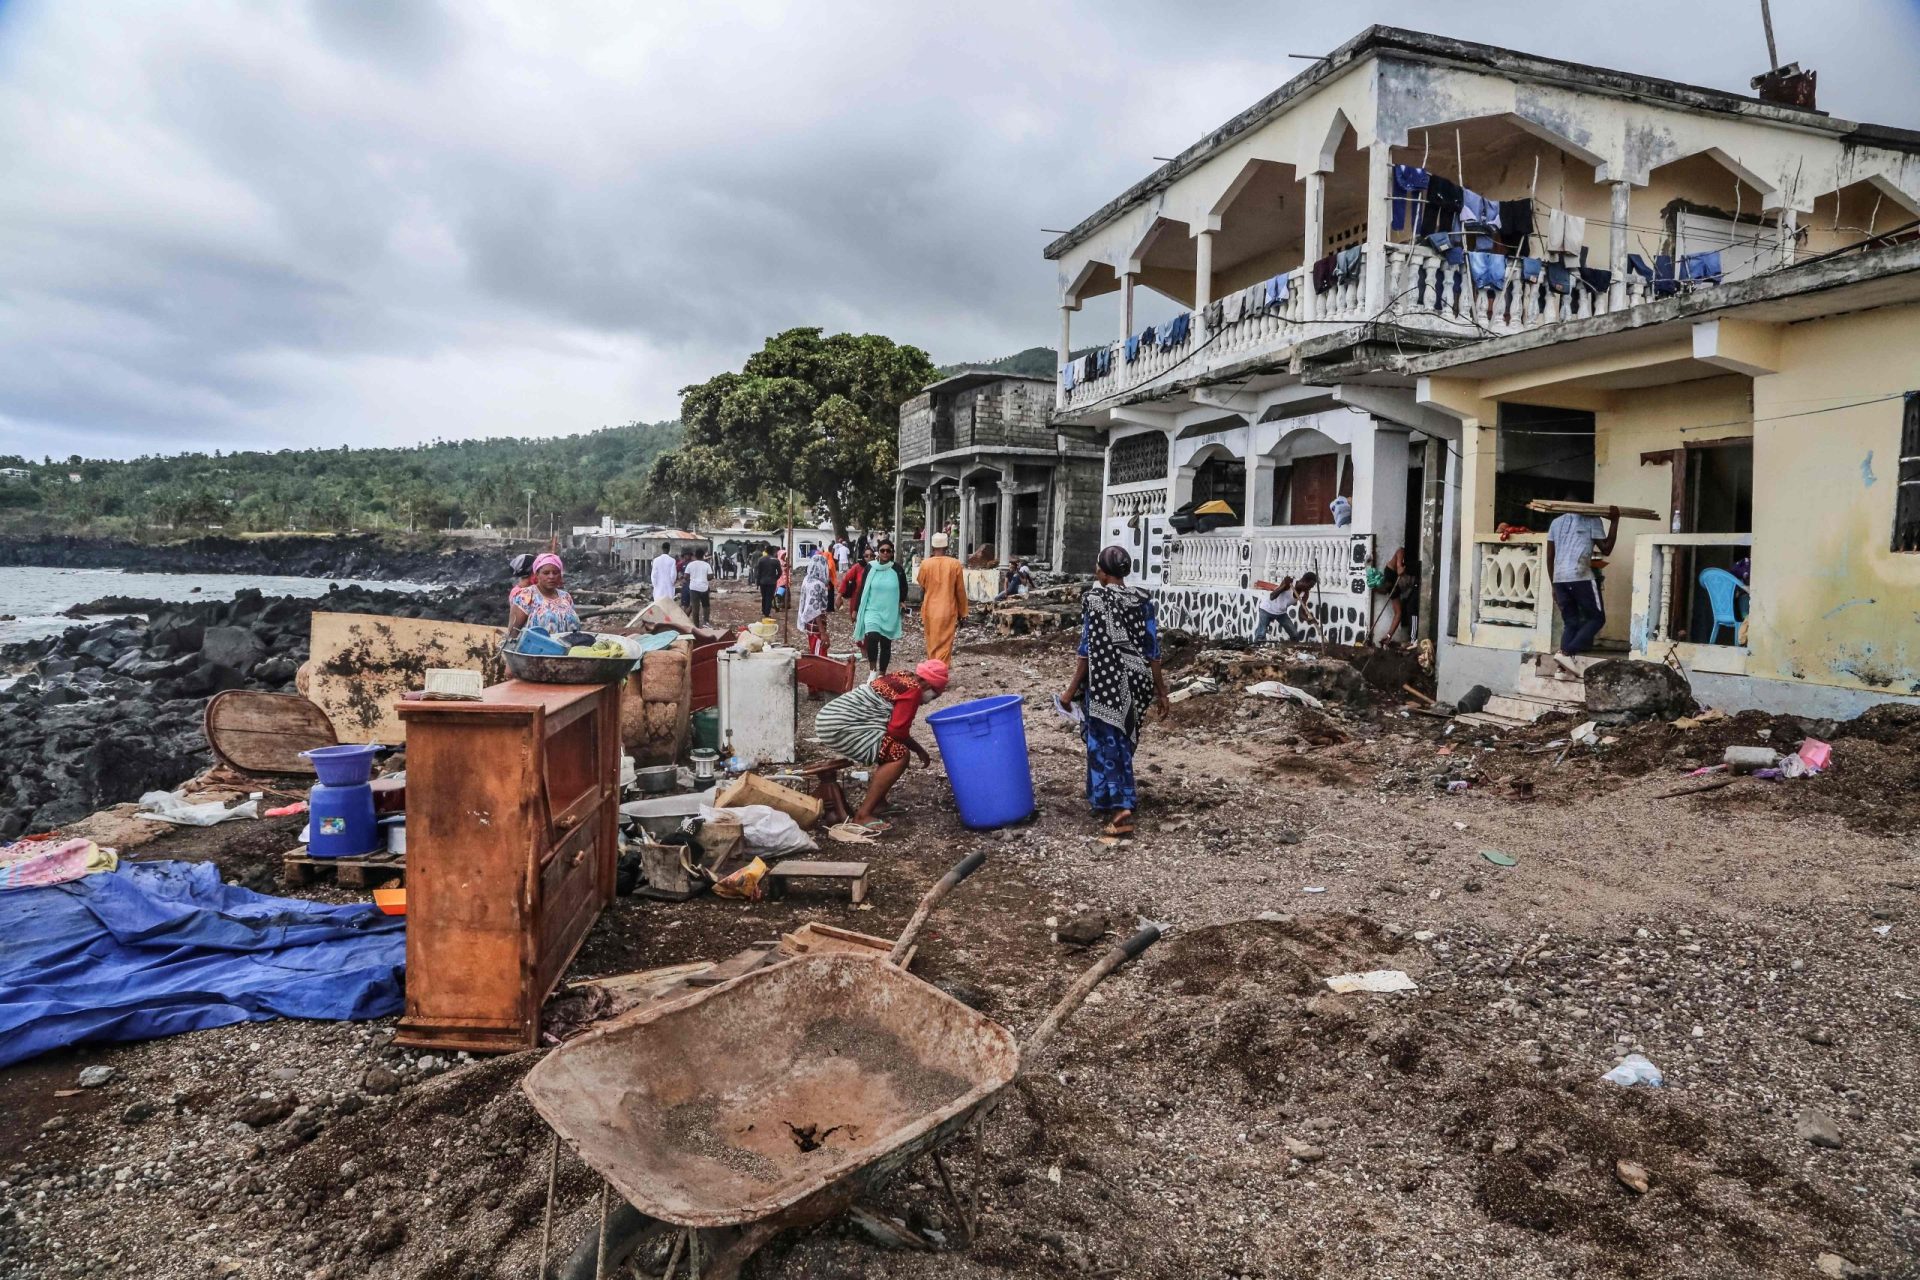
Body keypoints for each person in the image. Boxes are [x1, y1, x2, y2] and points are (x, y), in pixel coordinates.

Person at [1058, 546, 1170, 838]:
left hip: (1107, 680)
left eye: (1097, 566)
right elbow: (1152, 649)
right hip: (1138, 681)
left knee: (1105, 741)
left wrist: (1069, 692)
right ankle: (1106, 797)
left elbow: (1087, 650)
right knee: (1121, 738)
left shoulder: (1095, 599)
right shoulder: (1143, 599)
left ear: (1103, 572)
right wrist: (1162, 692)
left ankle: (1121, 808)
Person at [813, 659, 949, 832]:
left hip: (830, 718)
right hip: (840, 726)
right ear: (927, 683)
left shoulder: (902, 676)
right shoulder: (913, 690)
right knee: (899, 754)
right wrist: (918, 749)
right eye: (934, 695)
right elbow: (897, 731)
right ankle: (863, 815)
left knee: (887, 746)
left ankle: (879, 803)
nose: (930, 701)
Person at [1546, 505, 1620, 658]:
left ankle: (1563, 666)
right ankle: (1566, 653)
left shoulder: (1555, 523)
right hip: (1581, 577)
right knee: (1597, 618)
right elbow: (1606, 549)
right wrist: (1614, 521)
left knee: (1570, 623)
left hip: (1560, 579)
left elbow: (1549, 556)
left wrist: (1553, 584)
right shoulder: (1592, 520)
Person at [914, 531, 969, 664]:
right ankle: (940, 671)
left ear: (933, 547)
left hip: (929, 609)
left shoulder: (925, 564)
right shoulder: (955, 564)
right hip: (948, 609)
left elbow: (922, 584)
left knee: (931, 641)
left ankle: (932, 672)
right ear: (946, 547)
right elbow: (960, 591)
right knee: (945, 643)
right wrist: (963, 613)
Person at [852, 541, 907, 673]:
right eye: (882, 550)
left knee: (885, 643)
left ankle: (882, 673)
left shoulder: (897, 569)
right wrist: (856, 609)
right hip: (872, 610)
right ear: (878, 552)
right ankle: (872, 671)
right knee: (872, 637)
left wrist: (901, 601)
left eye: (888, 551)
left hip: (889, 611)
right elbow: (862, 589)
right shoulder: (870, 568)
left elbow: (903, 587)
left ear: (892, 552)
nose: (885, 553)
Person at [508, 553, 581, 635]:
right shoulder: (526, 596)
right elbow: (513, 632)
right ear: (537, 574)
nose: (551, 576)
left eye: (555, 573)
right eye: (546, 573)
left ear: (560, 575)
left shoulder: (566, 597)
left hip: (568, 646)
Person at [1253, 571, 1319, 644]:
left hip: (1281, 613)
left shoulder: (1305, 593)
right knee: (1261, 634)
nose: (1310, 588)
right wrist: (1284, 586)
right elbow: (1272, 596)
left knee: (1295, 635)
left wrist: (1308, 619)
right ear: (1304, 581)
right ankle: (1254, 650)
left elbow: (1301, 613)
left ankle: (1293, 651)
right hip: (1267, 609)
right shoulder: (1289, 583)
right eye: (1310, 586)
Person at [796, 549, 835, 657]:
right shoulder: (818, 585)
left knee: (814, 648)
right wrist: (823, 632)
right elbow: (816, 610)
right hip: (816, 624)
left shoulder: (807, 580)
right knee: (820, 653)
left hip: (809, 621)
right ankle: (819, 672)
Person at [685, 549, 714, 626]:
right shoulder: (706, 565)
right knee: (706, 606)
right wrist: (704, 578)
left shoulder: (690, 564)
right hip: (703, 588)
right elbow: (711, 576)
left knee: (695, 607)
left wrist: (692, 579)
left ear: (695, 555)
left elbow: (686, 576)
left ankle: (696, 625)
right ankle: (706, 622)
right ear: (703, 555)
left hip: (693, 588)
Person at [752, 544, 782, 617]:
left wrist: (758, 582)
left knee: (764, 597)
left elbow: (759, 572)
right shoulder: (776, 560)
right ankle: (767, 613)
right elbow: (780, 572)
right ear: (773, 551)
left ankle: (763, 610)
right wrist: (775, 578)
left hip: (763, 582)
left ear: (766, 551)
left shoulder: (761, 559)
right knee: (769, 597)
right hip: (772, 582)